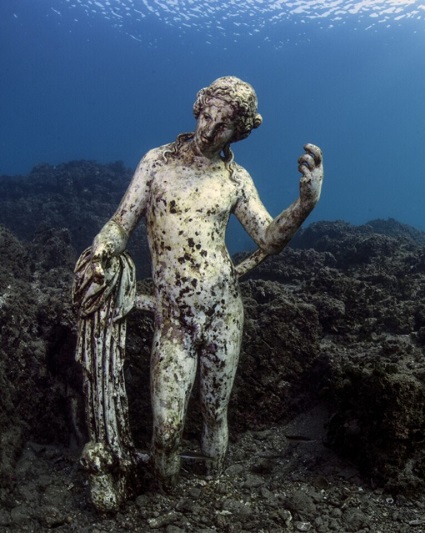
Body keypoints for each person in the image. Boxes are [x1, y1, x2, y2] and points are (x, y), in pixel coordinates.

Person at [88, 76, 323, 489]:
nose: (209, 130)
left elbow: (269, 239)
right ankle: (165, 496)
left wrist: (305, 204)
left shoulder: (234, 180)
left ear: (240, 131)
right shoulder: (157, 163)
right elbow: (120, 224)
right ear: (199, 108)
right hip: (174, 319)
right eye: (208, 116)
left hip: (223, 311)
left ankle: (212, 492)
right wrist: (102, 249)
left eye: (224, 125)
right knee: (167, 425)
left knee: (215, 414)